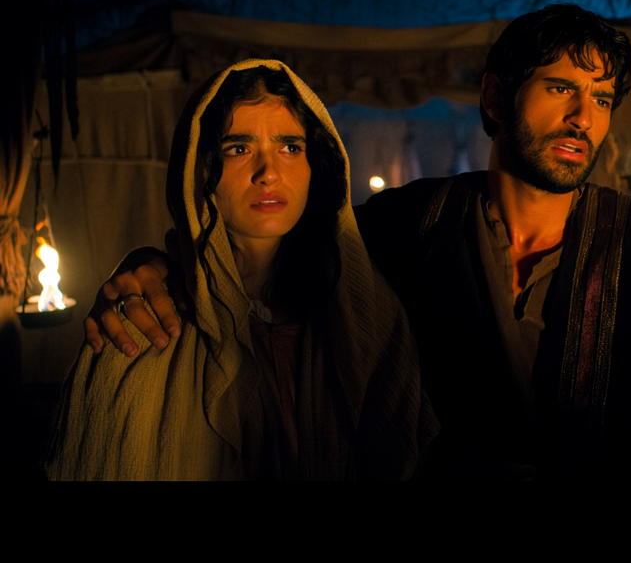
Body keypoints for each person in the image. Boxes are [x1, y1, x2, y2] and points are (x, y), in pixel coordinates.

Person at [84, 6, 631, 480]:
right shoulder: (412, 224)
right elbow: (264, 259)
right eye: (560, 88)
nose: (584, 117)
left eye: (601, 98)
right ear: (496, 96)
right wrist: (157, 267)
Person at [48, 60, 435, 480]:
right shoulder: (147, 318)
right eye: (238, 148)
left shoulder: (367, 310)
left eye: (290, 147)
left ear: (317, 164)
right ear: (200, 168)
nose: (268, 173)